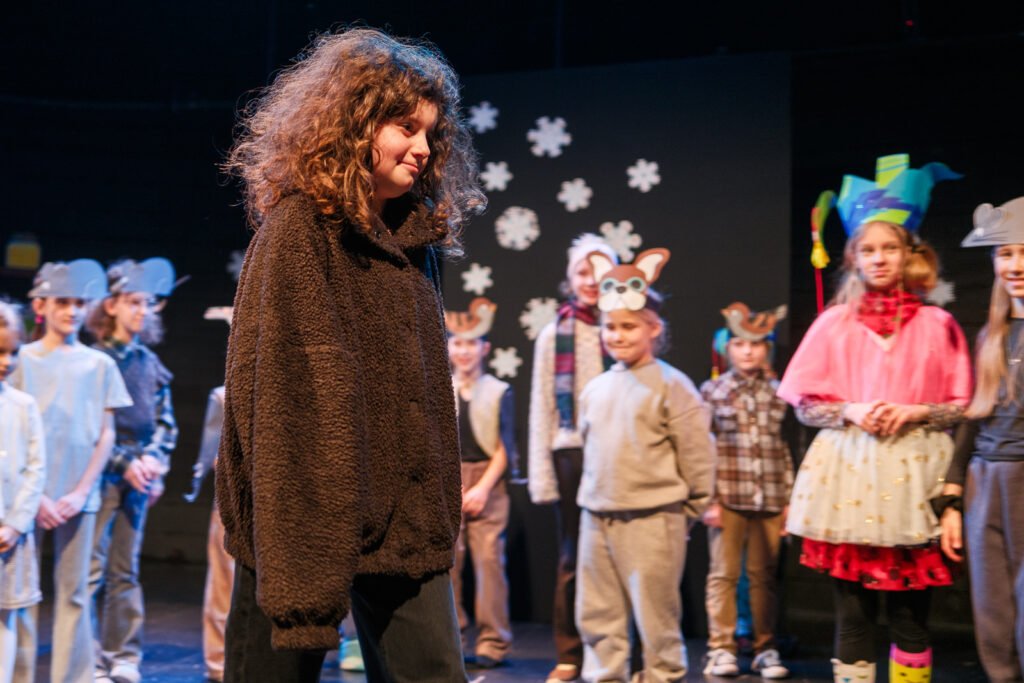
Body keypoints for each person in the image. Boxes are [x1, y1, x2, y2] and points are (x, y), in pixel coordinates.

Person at [216, 26, 485, 683]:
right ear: (353, 124)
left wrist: (432, 510)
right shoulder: (297, 233)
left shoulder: (412, 244)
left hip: (403, 524)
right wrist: (305, 571)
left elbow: (425, 397)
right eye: (404, 127)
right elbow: (282, 408)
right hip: (298, 526)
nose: (422, 148)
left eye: (431, 133)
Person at [776, 154, 969, 683]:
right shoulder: (835, 323)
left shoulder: (937, 323)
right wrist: (852, 409)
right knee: (854, 614)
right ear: (853, 258)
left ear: (910, 254)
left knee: (911, 617)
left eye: (890, 248)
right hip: (851, 478)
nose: (879, 259)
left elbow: (963, 404)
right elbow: (804, 402)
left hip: (915, 476)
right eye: (868, 250)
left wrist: (917, 410)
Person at [575, 248, 715, 683]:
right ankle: (605, 676)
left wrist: (686, 511)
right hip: (597, 516)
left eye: (628, 326)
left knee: (656, 615)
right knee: (598, 612)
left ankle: (663, 675)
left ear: (653, 329)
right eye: (610, 327)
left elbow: (698, 455)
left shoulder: (673, 385)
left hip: (654, 518)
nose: (617, 336)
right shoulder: (595, 388)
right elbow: (590, 446)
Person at [11, 260, 132, 683]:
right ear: (41, 306)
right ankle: (19, 674)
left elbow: (106, 433)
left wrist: (81, 492)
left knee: (76, 591)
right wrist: (37, 496)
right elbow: (13, 433)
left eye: (80, 303)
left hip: (79, 493)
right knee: (22, 593)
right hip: (30, 494)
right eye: (63, 302)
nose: (72, 311)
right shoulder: (21, 361)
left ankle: (72, 677)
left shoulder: (99, 365)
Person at [941, 196, 1024, 682]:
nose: (1015, 266)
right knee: (992, 604)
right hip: (985, 479)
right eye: (1005, 254)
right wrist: (953, 498)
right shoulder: (992, 336)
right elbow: (973, 418)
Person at [528, 233, 618, 683]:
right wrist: (541, 475)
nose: (591, 281)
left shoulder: (623, 326)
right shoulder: (554, 334)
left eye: (600, 272)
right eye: (583, 272)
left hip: (618, 452)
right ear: (570, 278)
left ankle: (618, 651)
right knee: (573, 556)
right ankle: (570, 652)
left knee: (617, 555)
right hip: (572, 452)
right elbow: (542, 404)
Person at [87, 258, 179, 683]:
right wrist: (127, 463)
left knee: (125, 570)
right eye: (133, 302)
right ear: (111, 306)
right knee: (90, 570)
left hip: (138, 477)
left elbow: (165, 423)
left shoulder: (149, 362)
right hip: (100, 477)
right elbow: (89, 427)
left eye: (147, 303)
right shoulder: (94, 362)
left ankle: (122, 655)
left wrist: (154, 462)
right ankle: (88, 658)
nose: (141, 310)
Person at [701, 302, 792, 679]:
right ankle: (720, 649)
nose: (748, 352)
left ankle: (764, 648)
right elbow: (704, 448)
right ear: (727, 348)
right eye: (739, 344)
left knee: (762, 576)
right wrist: (708, 499)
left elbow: (783, 447)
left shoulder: (779, 392)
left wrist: (789, 501)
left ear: (766, 348)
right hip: (728, 496)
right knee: (723, 574)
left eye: (755, 344)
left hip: (769, 495)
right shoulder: (713, 390)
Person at [445, 297, 516, 669]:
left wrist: (482, 488)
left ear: (484, 348)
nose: (464, 351)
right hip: (451, 479)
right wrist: (452, 486)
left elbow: (505, 448)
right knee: (449, 563)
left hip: (488, 480)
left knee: (489, 562)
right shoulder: (442, 388)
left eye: (471, 344)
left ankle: (493, 641)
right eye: (457, 343)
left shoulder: (499, 390)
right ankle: (450, 639)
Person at [0, 302, 45, 683]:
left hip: (9, 536)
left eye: (12, 352)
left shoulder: (23, 406)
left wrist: (15, 523)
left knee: (5, 616)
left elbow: (36, 467)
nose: (7, 361)